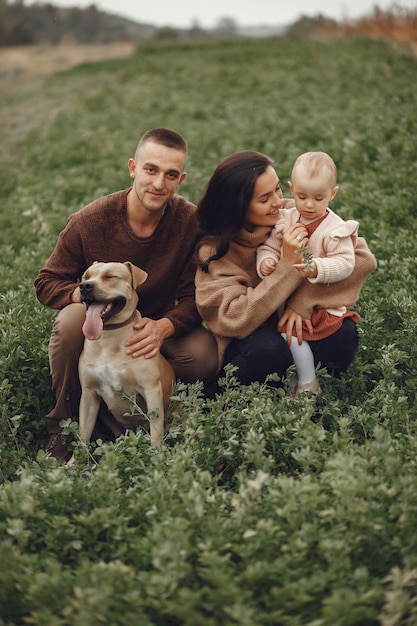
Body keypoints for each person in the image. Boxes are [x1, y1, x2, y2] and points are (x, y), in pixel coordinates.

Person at [35, 127, 218, 460]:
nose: (159, 183)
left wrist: (165, 326)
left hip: (153, 330)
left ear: (181, 179)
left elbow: (197, 296)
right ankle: (62, 426)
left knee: (204, 351)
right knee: (69, 322)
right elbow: (46, 282)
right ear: (133, 167)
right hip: (100, 329)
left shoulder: (189, 221)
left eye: (170, 174)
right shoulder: (90, 220)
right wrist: (86, 295)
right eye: (151, 170)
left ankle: (156, 410)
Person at [194, 150, 376, 395]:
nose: (279, 201)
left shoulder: (293, 213)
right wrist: (287, 265)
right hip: (251, 339)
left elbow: (362, 259)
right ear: (238, 206)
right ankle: (249, 400)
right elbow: (233, 317)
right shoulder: (215, 251)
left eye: (278, 189)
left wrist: (303, 302)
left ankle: (309, 387)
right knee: (269, 350)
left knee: (342, 334)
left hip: (294, 323)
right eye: (264, 198)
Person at [256, 151, 360, 398]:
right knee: (287, 334)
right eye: (301, 196)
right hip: (286, 301)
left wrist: (318, 269)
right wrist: (267, 261)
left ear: (332, 194)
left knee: (292, 335)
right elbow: (268, 246)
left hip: (320, 307)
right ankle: (299, 377)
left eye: (319, 197)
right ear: (292, 188)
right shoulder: (286, 218)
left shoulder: (335, 229)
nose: (309, 205)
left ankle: (307, 383)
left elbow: (346, 262)